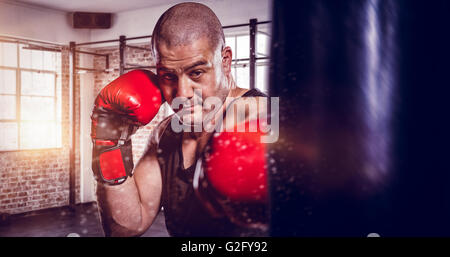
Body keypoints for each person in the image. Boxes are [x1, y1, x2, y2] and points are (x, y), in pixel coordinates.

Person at [91, 2, 269, 237]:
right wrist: (109, 141)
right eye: (168, 76)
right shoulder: (165, 135)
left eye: (196, 73)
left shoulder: (262, 117)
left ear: (225, 61)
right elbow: (124, 228)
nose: (182, 93)